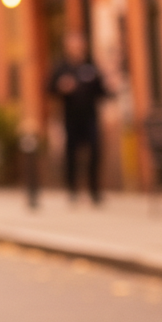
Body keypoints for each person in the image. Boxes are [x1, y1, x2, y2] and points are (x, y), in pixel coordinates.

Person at [49, 32, 110, 205]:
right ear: (67, 47)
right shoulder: (61, 67)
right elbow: (49, 88)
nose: (76, 48)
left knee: (95, 151)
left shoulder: (90, 66)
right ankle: (72, 190)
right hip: (70, 117)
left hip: (90, 117)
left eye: (79, 45)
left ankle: (94, 190)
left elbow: (102, 91)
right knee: (71, 154)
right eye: (73, 45)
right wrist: (61, 87)